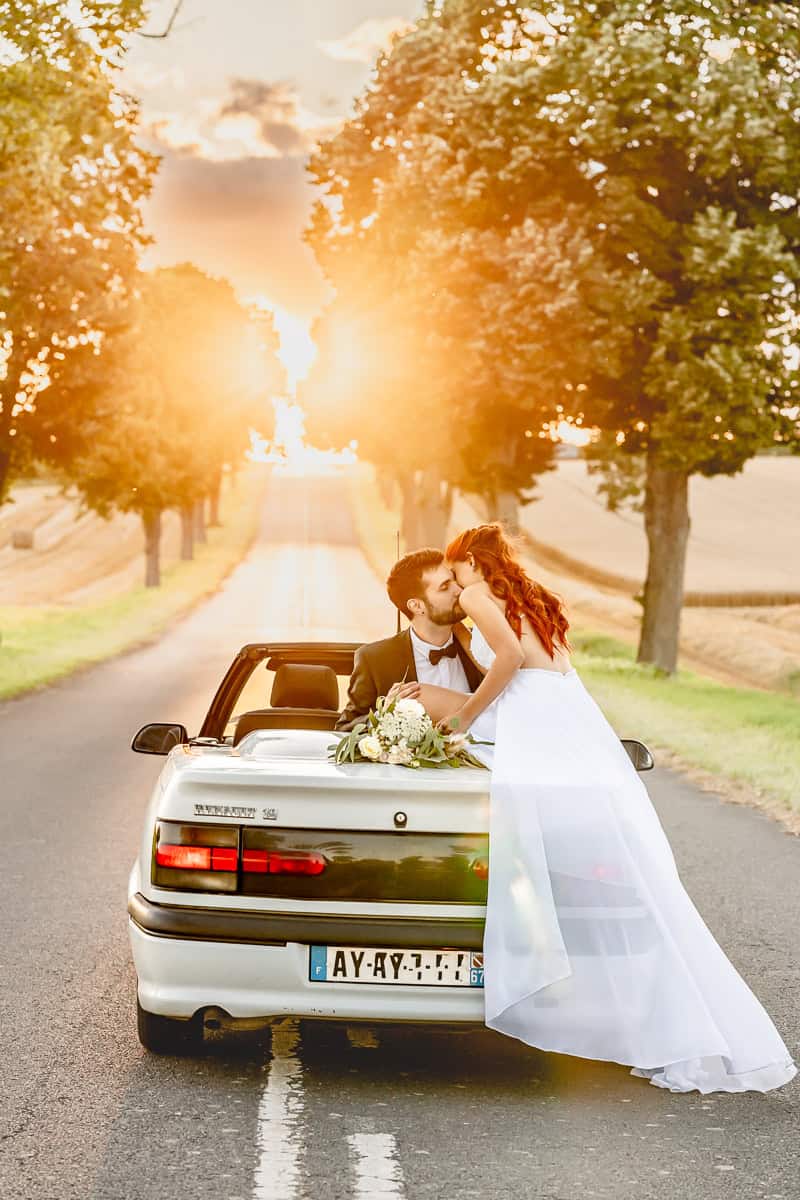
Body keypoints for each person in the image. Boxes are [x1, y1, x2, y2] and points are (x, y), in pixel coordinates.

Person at [413, 521, 797, 1095]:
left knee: (465, 761)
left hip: (532, 711)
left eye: (454, 568)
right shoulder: (527, 592)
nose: (453, 581)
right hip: (566, 708)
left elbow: (511, 657)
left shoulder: (473, 592)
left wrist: (466, 717)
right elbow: (546, 662)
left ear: (469, 561)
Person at [335, 548, 483, 732]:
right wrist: (384, 715)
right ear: (416, 606)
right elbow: (344, 730)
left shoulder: (482, 646)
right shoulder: (375, 660)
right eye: (445, 587)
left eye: (454, 580)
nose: (459, 590)